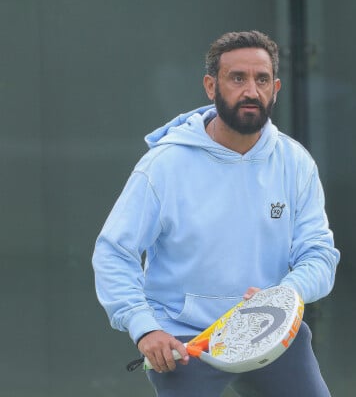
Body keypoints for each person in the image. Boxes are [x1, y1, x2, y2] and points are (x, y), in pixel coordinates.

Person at [91, 30, 340, 396]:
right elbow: (114, 252)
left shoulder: (295, 162)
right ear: (211, 86)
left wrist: (284, 295)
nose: (250, 91)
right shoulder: (163, 165)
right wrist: (145, 328)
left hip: (273, 334)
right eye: (237, 78)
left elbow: (319, 254)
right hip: (185, 342)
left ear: (276, 87)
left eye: (261, 79)